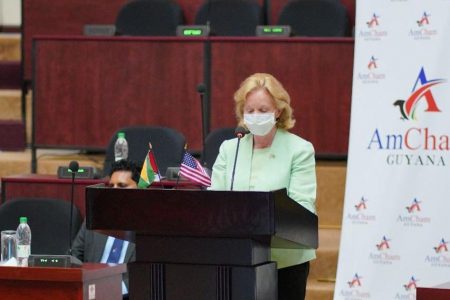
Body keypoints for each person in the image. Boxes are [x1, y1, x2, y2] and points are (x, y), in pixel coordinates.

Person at [210, 73, 317, 300]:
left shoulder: (300, 149)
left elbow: (302, 206)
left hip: (285, 261)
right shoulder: (230, 149)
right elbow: (214, 202)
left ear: (278, 111)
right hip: (236, 259)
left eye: (263, 110)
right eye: (250, 111)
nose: (256, 116)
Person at [71, 159, 141, 298]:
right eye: (111, 186)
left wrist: (108, 290)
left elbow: (143, 276)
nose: (114, 191)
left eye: (122, 186)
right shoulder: (94, 222)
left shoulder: (148, 228)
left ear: (139, 189)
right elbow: (74, 257)